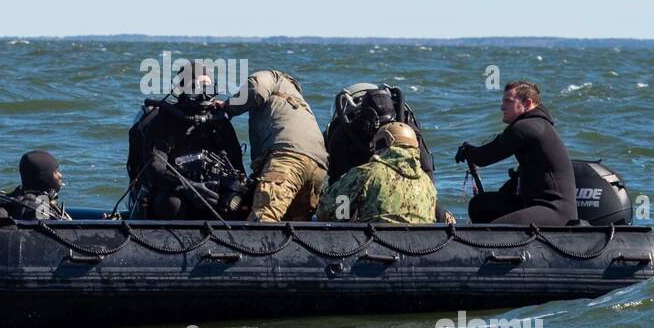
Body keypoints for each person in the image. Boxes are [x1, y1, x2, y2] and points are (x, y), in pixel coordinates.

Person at [125, 72, 248, 219]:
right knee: (171, 203)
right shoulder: (163, 121)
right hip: (173, 193)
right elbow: (154, 171)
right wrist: (189, 187)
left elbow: (237, 168)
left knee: (239, 201)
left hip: (210, 194)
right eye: (196, 90)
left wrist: (231, 190)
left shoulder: (219, 123)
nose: (203, 96)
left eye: (208, 90)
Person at [454, 81, 576, 226]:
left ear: (527, 103)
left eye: (508, 102)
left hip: (554, 209)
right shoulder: (537, 124)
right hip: (532, 203)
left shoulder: (526, 128)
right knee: (480, 205)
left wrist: (468, 151)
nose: (502, 107)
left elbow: (486, 156)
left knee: (494, 230)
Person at [217, 69, 328, 222]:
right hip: (318, 166)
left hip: (288, 158)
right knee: (296, 227)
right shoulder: (300, 105)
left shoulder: (273, 77)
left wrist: (227, 107)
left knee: (264, 218)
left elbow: (256, 89)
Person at [316, 122, 437, 224]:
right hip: (420, 246)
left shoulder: (367, 173)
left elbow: (327, 211)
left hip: (376, 245)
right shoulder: (428, 184)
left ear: (382, 143)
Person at [0, 150, 71, 220]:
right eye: (55, 171)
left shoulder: (11, 200)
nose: (60, 175)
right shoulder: (40, 209)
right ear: (44, 176)